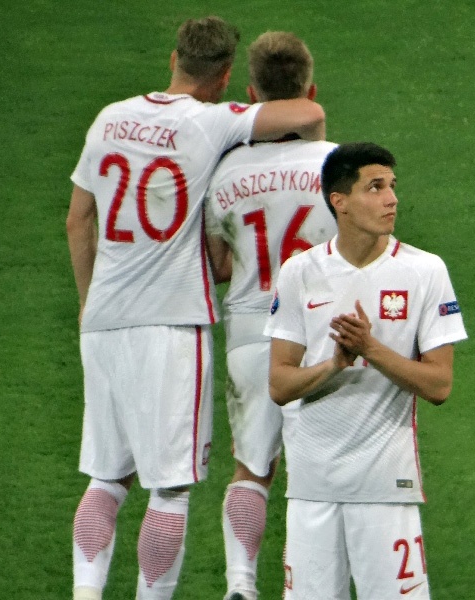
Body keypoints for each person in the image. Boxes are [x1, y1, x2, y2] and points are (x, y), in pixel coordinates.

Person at [65, 16, 325, 600]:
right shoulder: (210, 123)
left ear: (172, 57)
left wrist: (88, 303)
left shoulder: (109, 117)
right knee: (169, 489)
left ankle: (84, 594)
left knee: (105, 478)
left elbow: (77, 218)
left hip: (103, 320)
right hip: (171, 324)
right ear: (227, 76)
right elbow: (304, 115)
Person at [264, 142, 467, 599]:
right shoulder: (300, 273)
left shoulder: (424, 271)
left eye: (392, 186)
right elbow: (279, 384)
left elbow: (439, 384)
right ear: (340, 202)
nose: (391, 198)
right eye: (375, 187)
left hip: (385, 488)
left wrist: (370, 349)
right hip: (312, 487)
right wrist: (336, 364)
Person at [203, 31, 338, 600]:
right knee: (319, 474)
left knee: (251, 467)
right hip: (320, 335)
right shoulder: (339, 165)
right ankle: (306, 587)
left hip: (250, 331)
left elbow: (219, 266)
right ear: (310, 91)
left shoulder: (226, 173)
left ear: (253, 95)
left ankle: (240, 584)